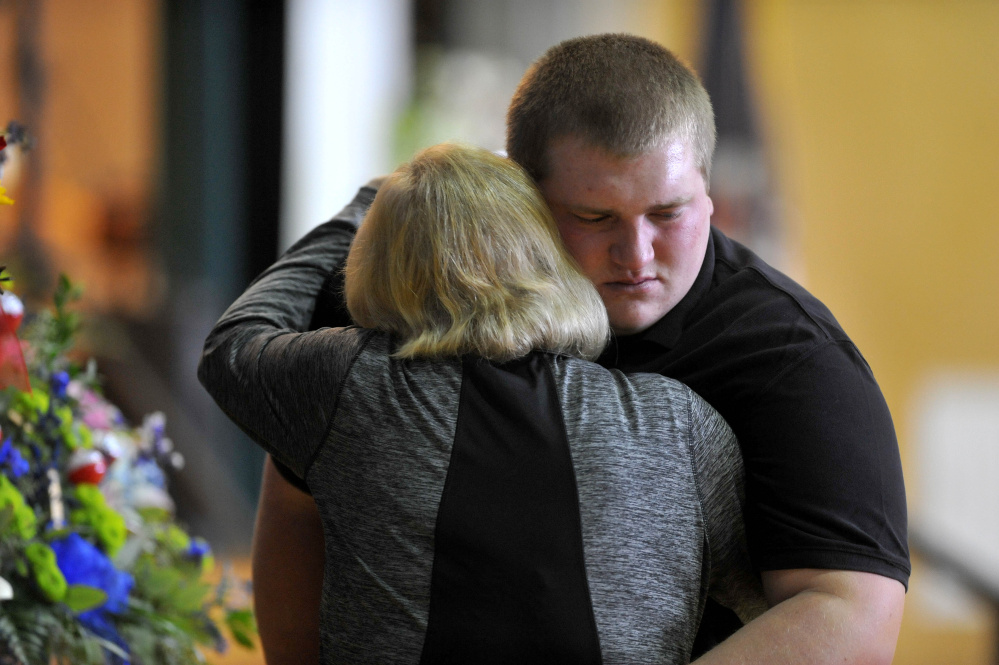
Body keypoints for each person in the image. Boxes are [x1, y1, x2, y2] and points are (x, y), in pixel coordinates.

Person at [254, 34, 909, 664]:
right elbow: (296, 494)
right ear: (522, 196)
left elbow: (849, 612)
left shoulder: (792, 361)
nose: (636, 255)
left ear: (709, 194)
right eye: (594, 217)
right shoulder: (417, 292)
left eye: (667, 212)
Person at [199, 143, 766, 664]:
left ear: (375, 261)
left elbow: (234, 342)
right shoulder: (676, 419)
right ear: (549, 258)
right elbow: (759, 605)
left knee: (297, 456)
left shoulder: (347, 382)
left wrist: (363, 206)